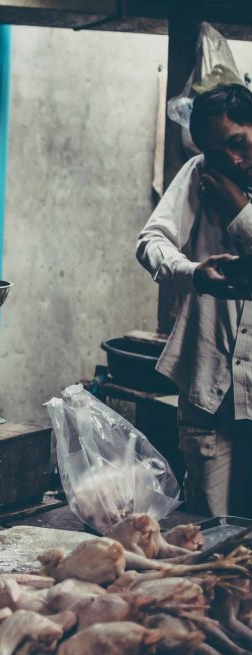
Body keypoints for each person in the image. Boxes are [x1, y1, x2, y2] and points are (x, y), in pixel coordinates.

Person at [136, 83, 252, 518]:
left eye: (240, 142)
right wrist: (193, 275)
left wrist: (241, 211)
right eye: (221, 152)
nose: (234, 160)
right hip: (210, 389)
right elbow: (150, 242)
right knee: (208, 533)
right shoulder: (202, 173)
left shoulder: (228, 186)